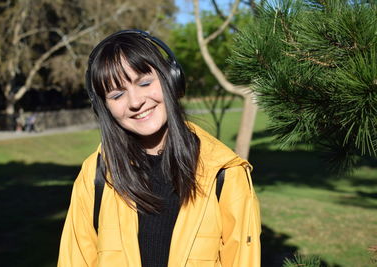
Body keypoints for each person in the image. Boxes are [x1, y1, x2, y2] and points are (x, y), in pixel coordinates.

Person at [58, 29, 261, 267]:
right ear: (104, 107)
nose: (135, 102)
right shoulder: (95, 175)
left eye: (144, 82)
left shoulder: (225, 173)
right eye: (117, 95)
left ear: (171, 79)